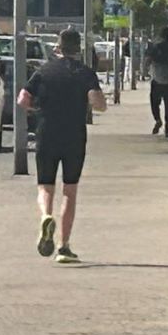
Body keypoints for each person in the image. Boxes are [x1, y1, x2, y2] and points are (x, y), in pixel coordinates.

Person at [18, 28, 107, 264]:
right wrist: (94, 102)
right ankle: (63, 247)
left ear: (58, 46)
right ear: (79, 48)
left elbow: (22, 99)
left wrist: (38, 109)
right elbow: (98, 103)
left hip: (47, 132)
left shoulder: (44, 71)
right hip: (74, 136)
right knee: (70, 189)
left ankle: (46, 216)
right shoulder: (85, 73)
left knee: (45, 186)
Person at [145, 27, 168, 136]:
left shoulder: (155, 47)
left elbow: (148, 60)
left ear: (161, 36)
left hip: (157, 78)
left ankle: (158, 119)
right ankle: (167, 128)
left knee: (154, 102)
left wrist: (146, 69)